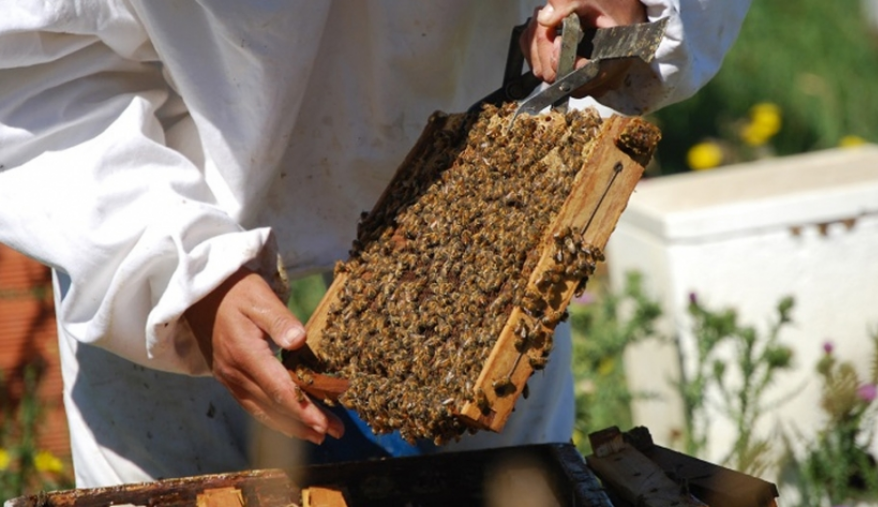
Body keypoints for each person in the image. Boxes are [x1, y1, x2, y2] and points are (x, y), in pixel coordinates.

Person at [0, 0, 751, 488]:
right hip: (167, 233)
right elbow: (27, 74)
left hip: (474, 237)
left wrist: (642, 10)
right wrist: (180, 274)